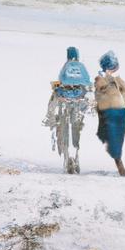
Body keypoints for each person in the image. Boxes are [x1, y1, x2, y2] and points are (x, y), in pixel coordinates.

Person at [43, 46, 93, 174]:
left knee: (64, 130)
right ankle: (75, 158)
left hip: (64, 102)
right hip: (78, 102)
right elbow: (88, 85)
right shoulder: (82, 67)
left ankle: (68, 159)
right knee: (76, 130)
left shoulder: (66, 66)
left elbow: (60, 83)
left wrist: (57, 89)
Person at [94, 50, 125, 176]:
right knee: (115, 140)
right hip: (117, 111)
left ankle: (120, 165)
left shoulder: (107, 79)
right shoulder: (107, 80)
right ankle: (120, 167)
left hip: (114, 112)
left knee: (114, 139)